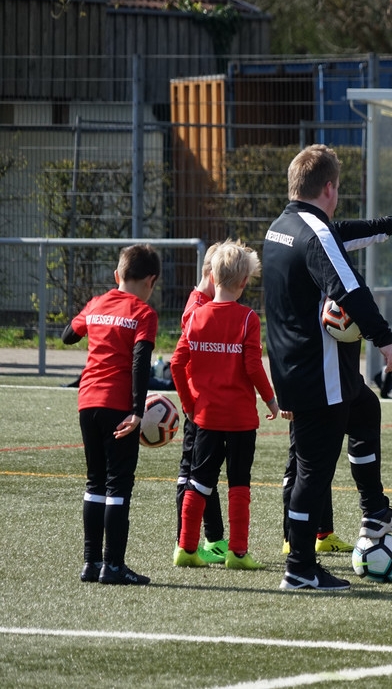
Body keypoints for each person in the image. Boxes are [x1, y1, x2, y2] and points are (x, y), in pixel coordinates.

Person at [263, 144, 392, 592]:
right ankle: (299, 568)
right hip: (319, 374)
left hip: (291, 367)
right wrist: (383, 338)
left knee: (365, 410)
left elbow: (337, 235)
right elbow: (349, 289)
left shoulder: (282, 227)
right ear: (331, 188)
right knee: (313, 472)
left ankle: (374, 510)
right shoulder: (315, 233)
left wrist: (390, 225)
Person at [170, 239, 279, 571]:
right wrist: (271, 400)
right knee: (239, 482)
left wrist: (189, 404)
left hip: (205, 416)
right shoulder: (248, 319)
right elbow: (253, 367)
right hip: (241, 418)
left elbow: (176, 363)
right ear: (244, 282)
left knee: (199, 480)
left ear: (212, 277)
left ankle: (186, 548)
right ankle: (238, 553)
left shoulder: (195, 317)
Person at [62, 243, 160, 585]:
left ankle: (91, 563)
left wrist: (95, 317)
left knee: (95, 482)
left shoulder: (96, 303)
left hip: (87, 402)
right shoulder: (143, 313)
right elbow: (140, 363)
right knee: (118, 484)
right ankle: (113, 566)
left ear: (118, 275)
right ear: (151, 281)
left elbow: (68, 336)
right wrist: (137, 411)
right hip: (117, 406)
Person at [173, 241, 229, 565]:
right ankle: (185, 541)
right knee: (192, 473)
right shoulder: (198, 307)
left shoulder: (202, 301)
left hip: (203, 401)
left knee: (203, 474)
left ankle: (213, 539)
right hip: (199, 403)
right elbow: (183, 361)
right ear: (212, 274)